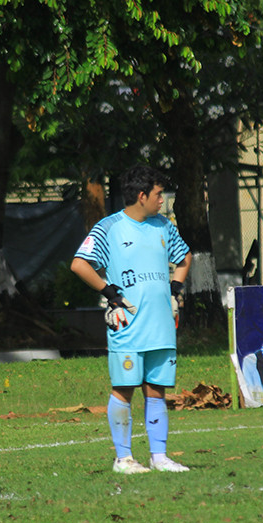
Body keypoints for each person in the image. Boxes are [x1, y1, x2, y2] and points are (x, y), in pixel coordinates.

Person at [70, 164, 192, 474]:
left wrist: (175, 290)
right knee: (124, 387)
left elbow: (184, 257)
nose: (162, 200)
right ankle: (123, 459)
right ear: (141, 196)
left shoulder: (164, 226)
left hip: (161, 324)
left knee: (157, 389)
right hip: (128, 324)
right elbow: (80, 264)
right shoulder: (109, 227)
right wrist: (110, 294)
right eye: (158, 194)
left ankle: (159, 457)